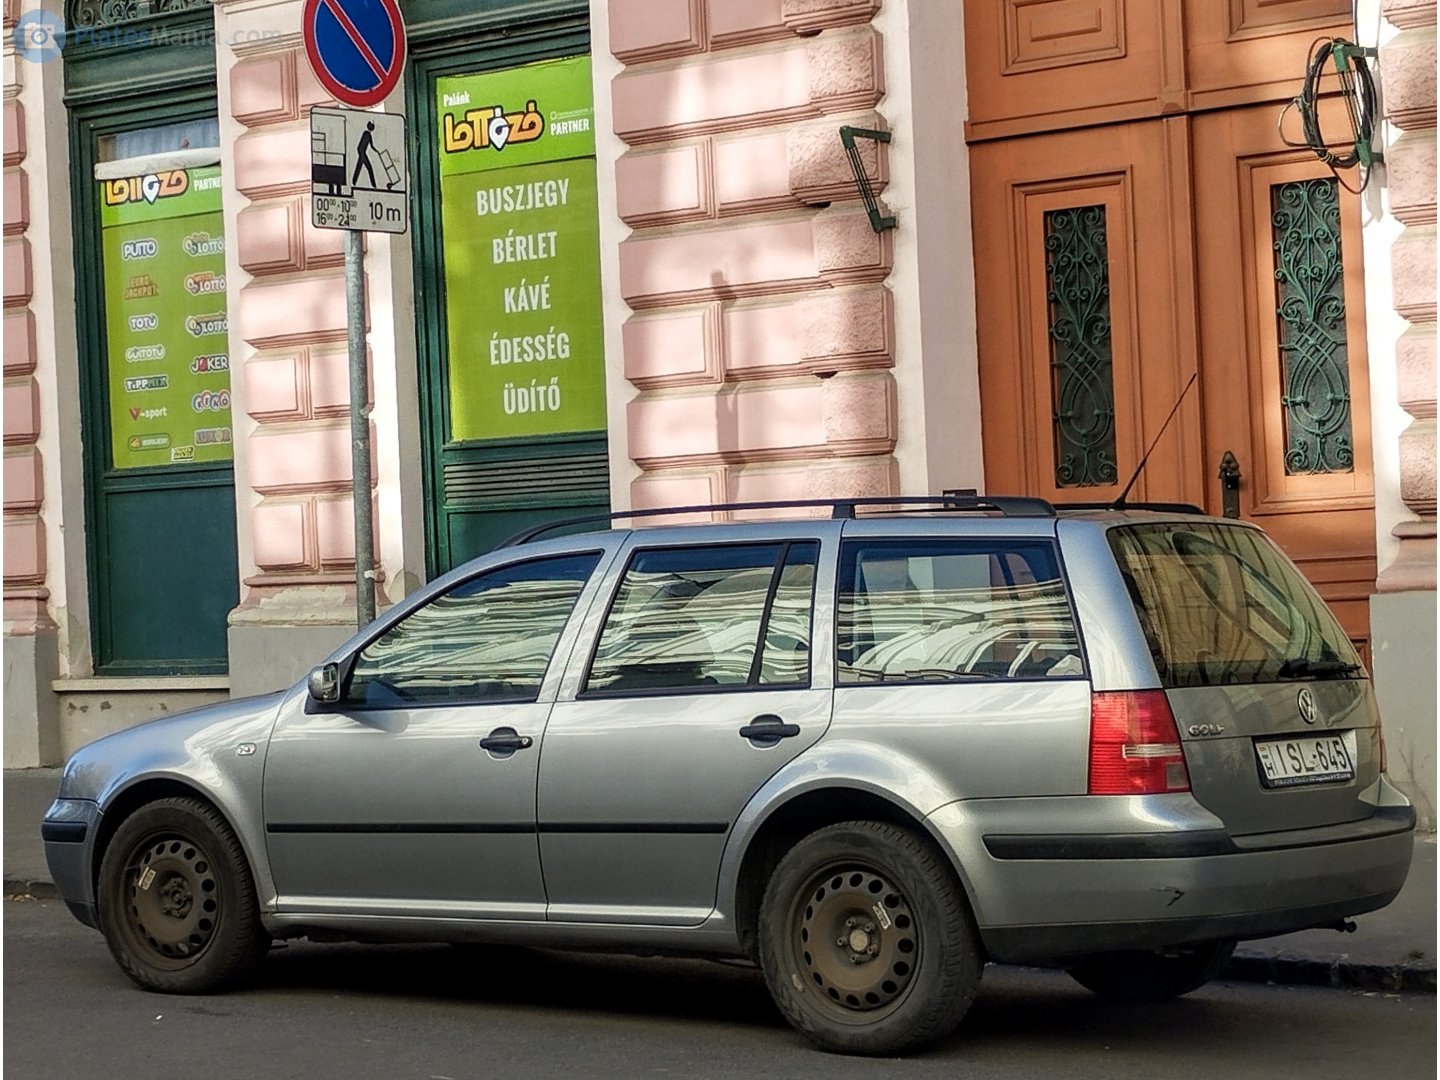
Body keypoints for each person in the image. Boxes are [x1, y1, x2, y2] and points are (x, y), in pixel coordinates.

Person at [351, 121, 377, 188]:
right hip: (362, 153)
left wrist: (377, 151)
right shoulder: (366, 134)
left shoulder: (367, 134)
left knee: (359, 167)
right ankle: (373, 184)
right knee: (369, 168)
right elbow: (369, 145)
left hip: (361, 152)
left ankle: (354, 182)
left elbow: (371, 146)